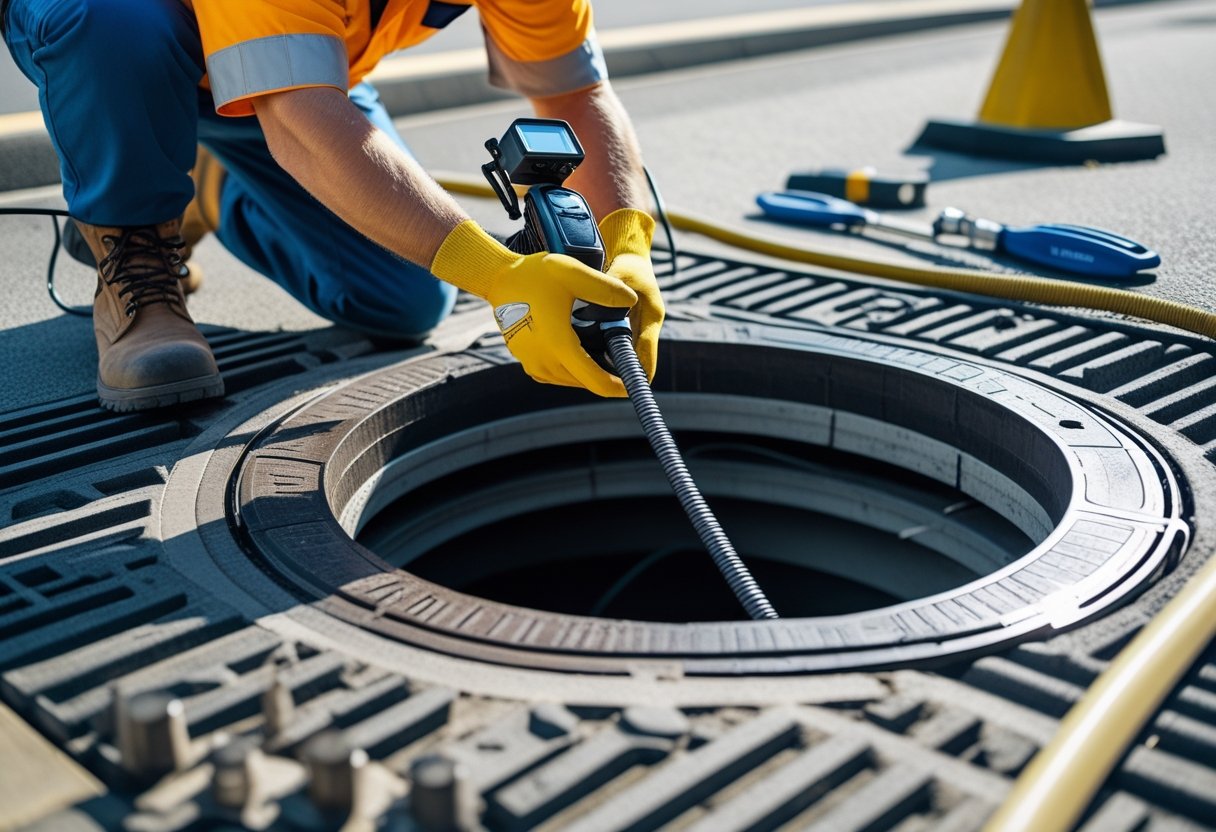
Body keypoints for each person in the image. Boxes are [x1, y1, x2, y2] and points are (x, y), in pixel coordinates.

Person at [1, 0, 664, 411]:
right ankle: (135, 257)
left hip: (280, 70)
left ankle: (209, 185)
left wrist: (628, 248)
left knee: (403, 299)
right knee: (112, 20)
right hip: (128, 38)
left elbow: (578, 97)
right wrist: (497, 274)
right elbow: (302, 124)